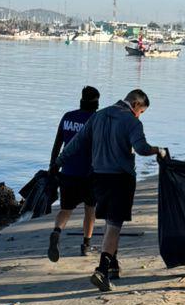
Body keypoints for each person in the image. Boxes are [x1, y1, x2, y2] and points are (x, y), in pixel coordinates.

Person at [58, 88, 168, 292]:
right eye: (141, 112)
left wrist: (59, 161)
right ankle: (102, 269)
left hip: (98, 177)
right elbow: (142, 148)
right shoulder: (132, 121)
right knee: (115, 224)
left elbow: (77, 142)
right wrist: (158, 150)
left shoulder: (98, 116)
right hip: (121, 178)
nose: (140, 115)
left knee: (109, 220)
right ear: (136, 105)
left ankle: (114, 265)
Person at [46, 85, 100, 262]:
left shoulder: (67, 117)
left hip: (67, 172)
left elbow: (57, 145)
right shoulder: (96, 119)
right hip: (89, 174)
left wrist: (53, 167)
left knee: (65, 209)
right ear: (96, 103)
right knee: (90, 209)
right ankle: (86, 245)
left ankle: (56, 231)